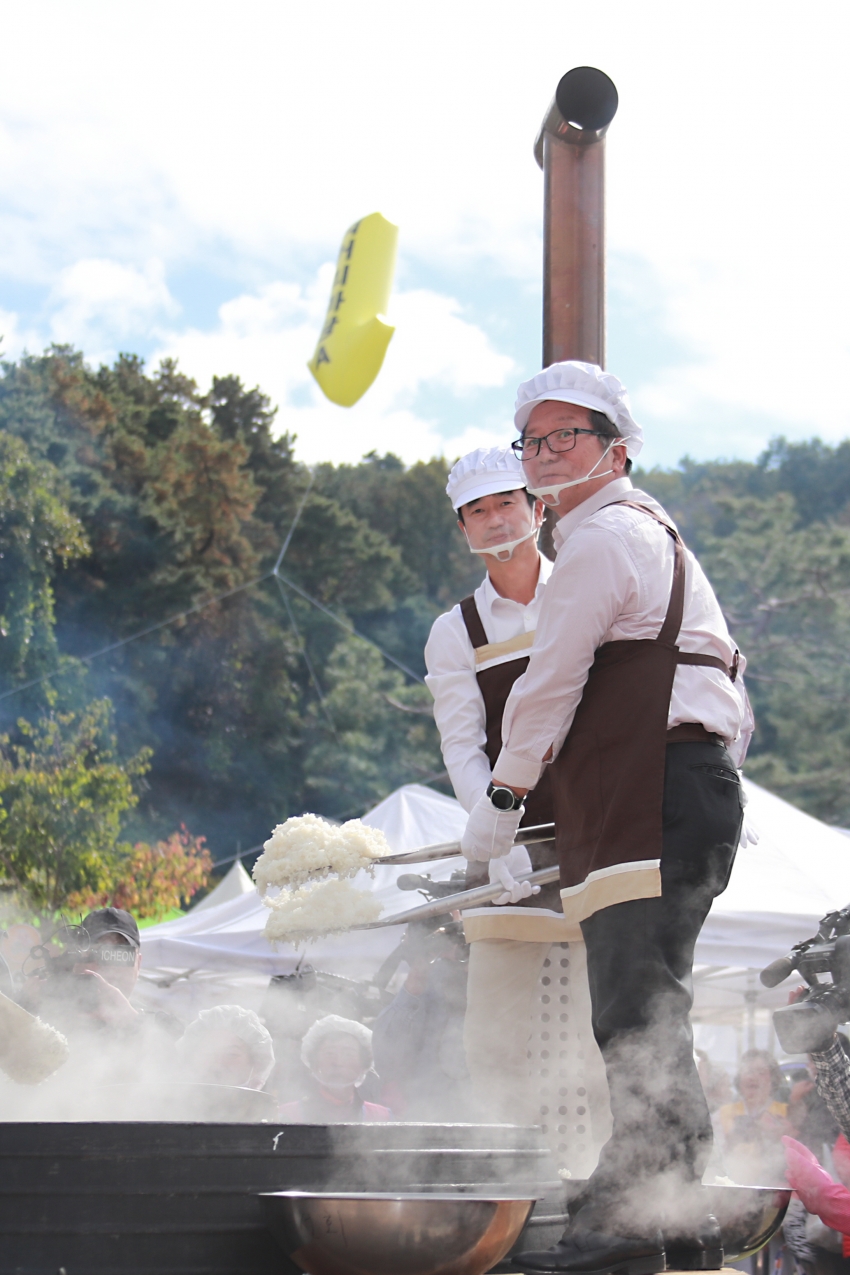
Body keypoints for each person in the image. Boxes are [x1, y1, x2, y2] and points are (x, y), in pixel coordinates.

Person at [460, 361, 753, 1274]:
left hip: (654, 787)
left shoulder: (601, 538)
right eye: (532, 440)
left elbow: (551, 679)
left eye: (567, 435)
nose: (545, 452)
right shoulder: (649, 533)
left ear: (616, 450)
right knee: (650, 997)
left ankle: (634, 1210)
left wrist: (504, 796)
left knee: (634, 1005)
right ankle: (678, 1210)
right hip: (679, 784)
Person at [425, 446, 566, 1123]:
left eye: (507, 502)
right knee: (494, 1036)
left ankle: (606, 1169)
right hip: (512, 843)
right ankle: (506, 1163)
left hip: (603, 828)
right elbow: (462, 744)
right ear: (463, 530)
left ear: (538, 509)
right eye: (477, 511)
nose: (495, 519)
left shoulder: (585, 589)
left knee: (609, 1026)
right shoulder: (455, 631)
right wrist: (496, 834)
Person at [280, 1014, 391, 1122]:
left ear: (364, 1064)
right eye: (329, 1053)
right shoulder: (286, 1115)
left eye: (348, 1054)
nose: (338, 1062)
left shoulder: (381, 1117)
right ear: (314, 1062)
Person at [717, 1049, 791, 1184]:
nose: (753, 1078)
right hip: (732, 1185)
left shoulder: (785, 1113)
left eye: (761, 1073)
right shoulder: (722, 1114)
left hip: (774, 1185)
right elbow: (713, 1155)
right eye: (748, 1071)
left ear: (773, 1079)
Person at [176, 1005, 275, 1090]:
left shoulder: (265, 1107)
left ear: (255, 1064)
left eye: (231, 1054)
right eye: (208, 1053)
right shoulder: (171, 1103)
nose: (217, 1063)